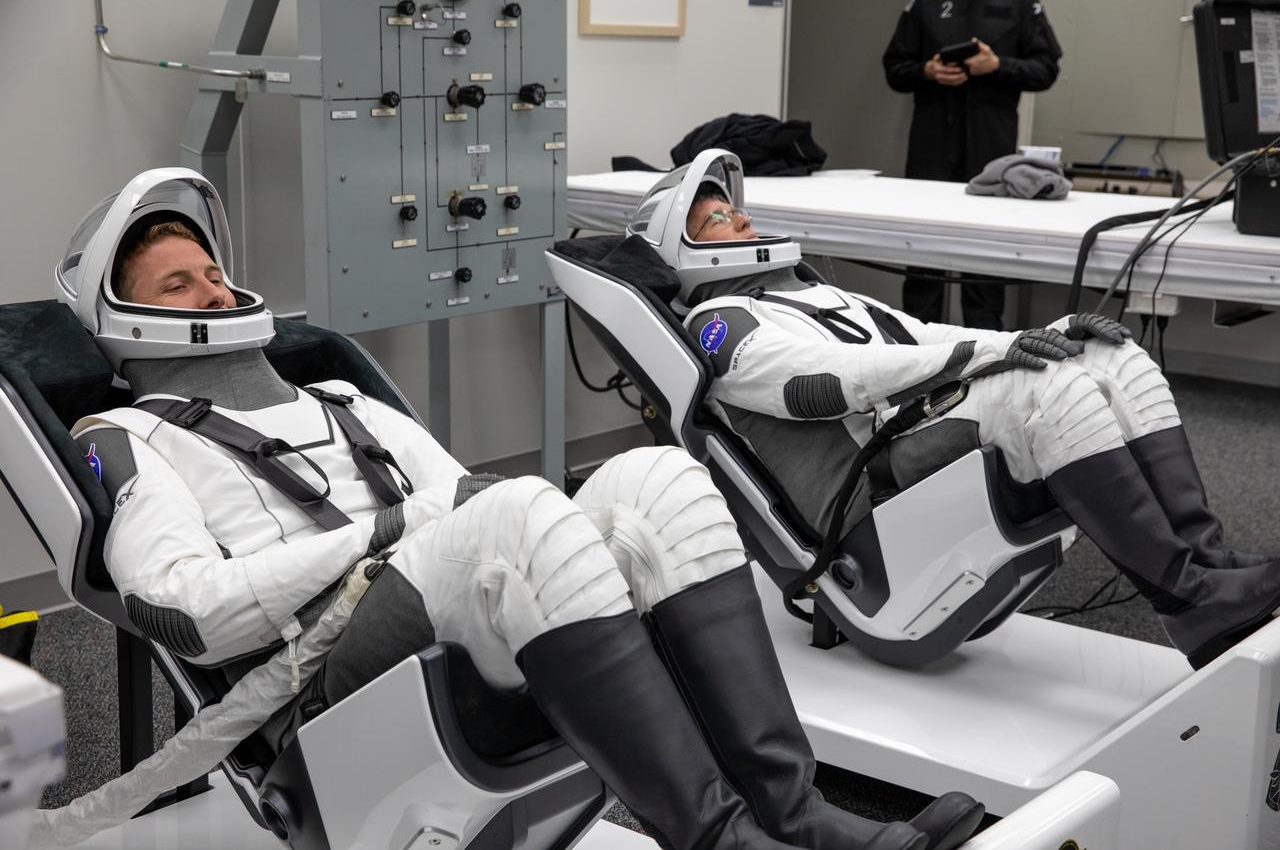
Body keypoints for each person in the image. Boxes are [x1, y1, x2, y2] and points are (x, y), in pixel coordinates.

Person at [54, 168, 986, 850]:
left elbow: (462, 496)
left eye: (210, 273)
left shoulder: (342, 400)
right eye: (177, 285)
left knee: (652, 482)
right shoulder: (127, 434)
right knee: (521, 518)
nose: (211, 291)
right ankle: (721, 843)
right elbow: (188, 612)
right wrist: (377, 533)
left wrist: (421, 527)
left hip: (416, 603)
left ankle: (795, 812)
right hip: (315, 683)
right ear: (119, 317)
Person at [634, 149, 1280, 671]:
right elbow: (826, 381)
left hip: (917, 427)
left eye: (732, 211)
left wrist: (1038, 336)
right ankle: (1186, 597)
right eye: (717, 219)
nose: (741, 222)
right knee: (1040, 390)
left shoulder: (804, 290)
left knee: (1111, 353)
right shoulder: (718, 324)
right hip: (877, 483)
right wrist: (981, 357)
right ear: (685, 251)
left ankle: (1208, 563)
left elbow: (919, 334)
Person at [882, 0, 1063, 330]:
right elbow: (894, 67)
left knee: (985, 267)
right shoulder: (925, 2)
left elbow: (1046, 69)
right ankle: (918, 360)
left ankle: (985, 359)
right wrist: (927, 70)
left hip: (991, 154)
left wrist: (998, 66)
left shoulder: (1022, 3)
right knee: (923, 263)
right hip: (931, 154)